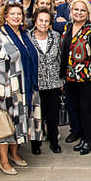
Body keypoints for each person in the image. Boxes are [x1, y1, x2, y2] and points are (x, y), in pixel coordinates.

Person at [0, 3, 38, 174]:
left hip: (22, 87)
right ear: (5, 16)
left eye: (19, 14)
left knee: (18, 121)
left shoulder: (24, 35)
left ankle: (14, 154)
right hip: (4, 87)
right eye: (12, 14)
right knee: (5, 124)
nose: (16, 17)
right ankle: (3, 161)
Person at [61, 0, 91, 155]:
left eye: (82, 10)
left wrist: (88, 74)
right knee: (76, 108)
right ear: (71, 11)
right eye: (76, 10)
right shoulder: (67, 27)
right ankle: (81, 137)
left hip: (88, 79)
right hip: (70, 78)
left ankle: (87, 140)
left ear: (88, 13)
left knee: (87, 110)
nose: (79, 13)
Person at [29, 8, 64, 157]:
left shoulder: (56, 36)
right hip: (35, 82)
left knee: (52, 115)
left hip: (53, 82)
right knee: (36, 114)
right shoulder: (27, 37)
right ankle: (35, 143)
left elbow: (60, 58)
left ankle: (54, 142)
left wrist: (62, 79)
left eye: (46, 21)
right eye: (40, 20)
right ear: (35, 21)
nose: (43, 23)